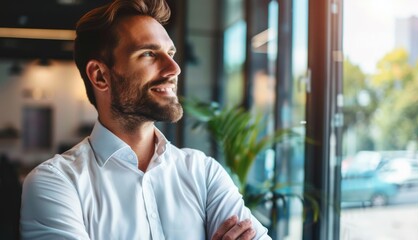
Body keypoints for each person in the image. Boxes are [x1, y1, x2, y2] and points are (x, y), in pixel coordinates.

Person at [20, 0, 271, 239]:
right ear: (100, 76)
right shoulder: (56, 183)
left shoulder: (203, 173)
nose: (174, 68)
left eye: (170, 52)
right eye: (149, 54)